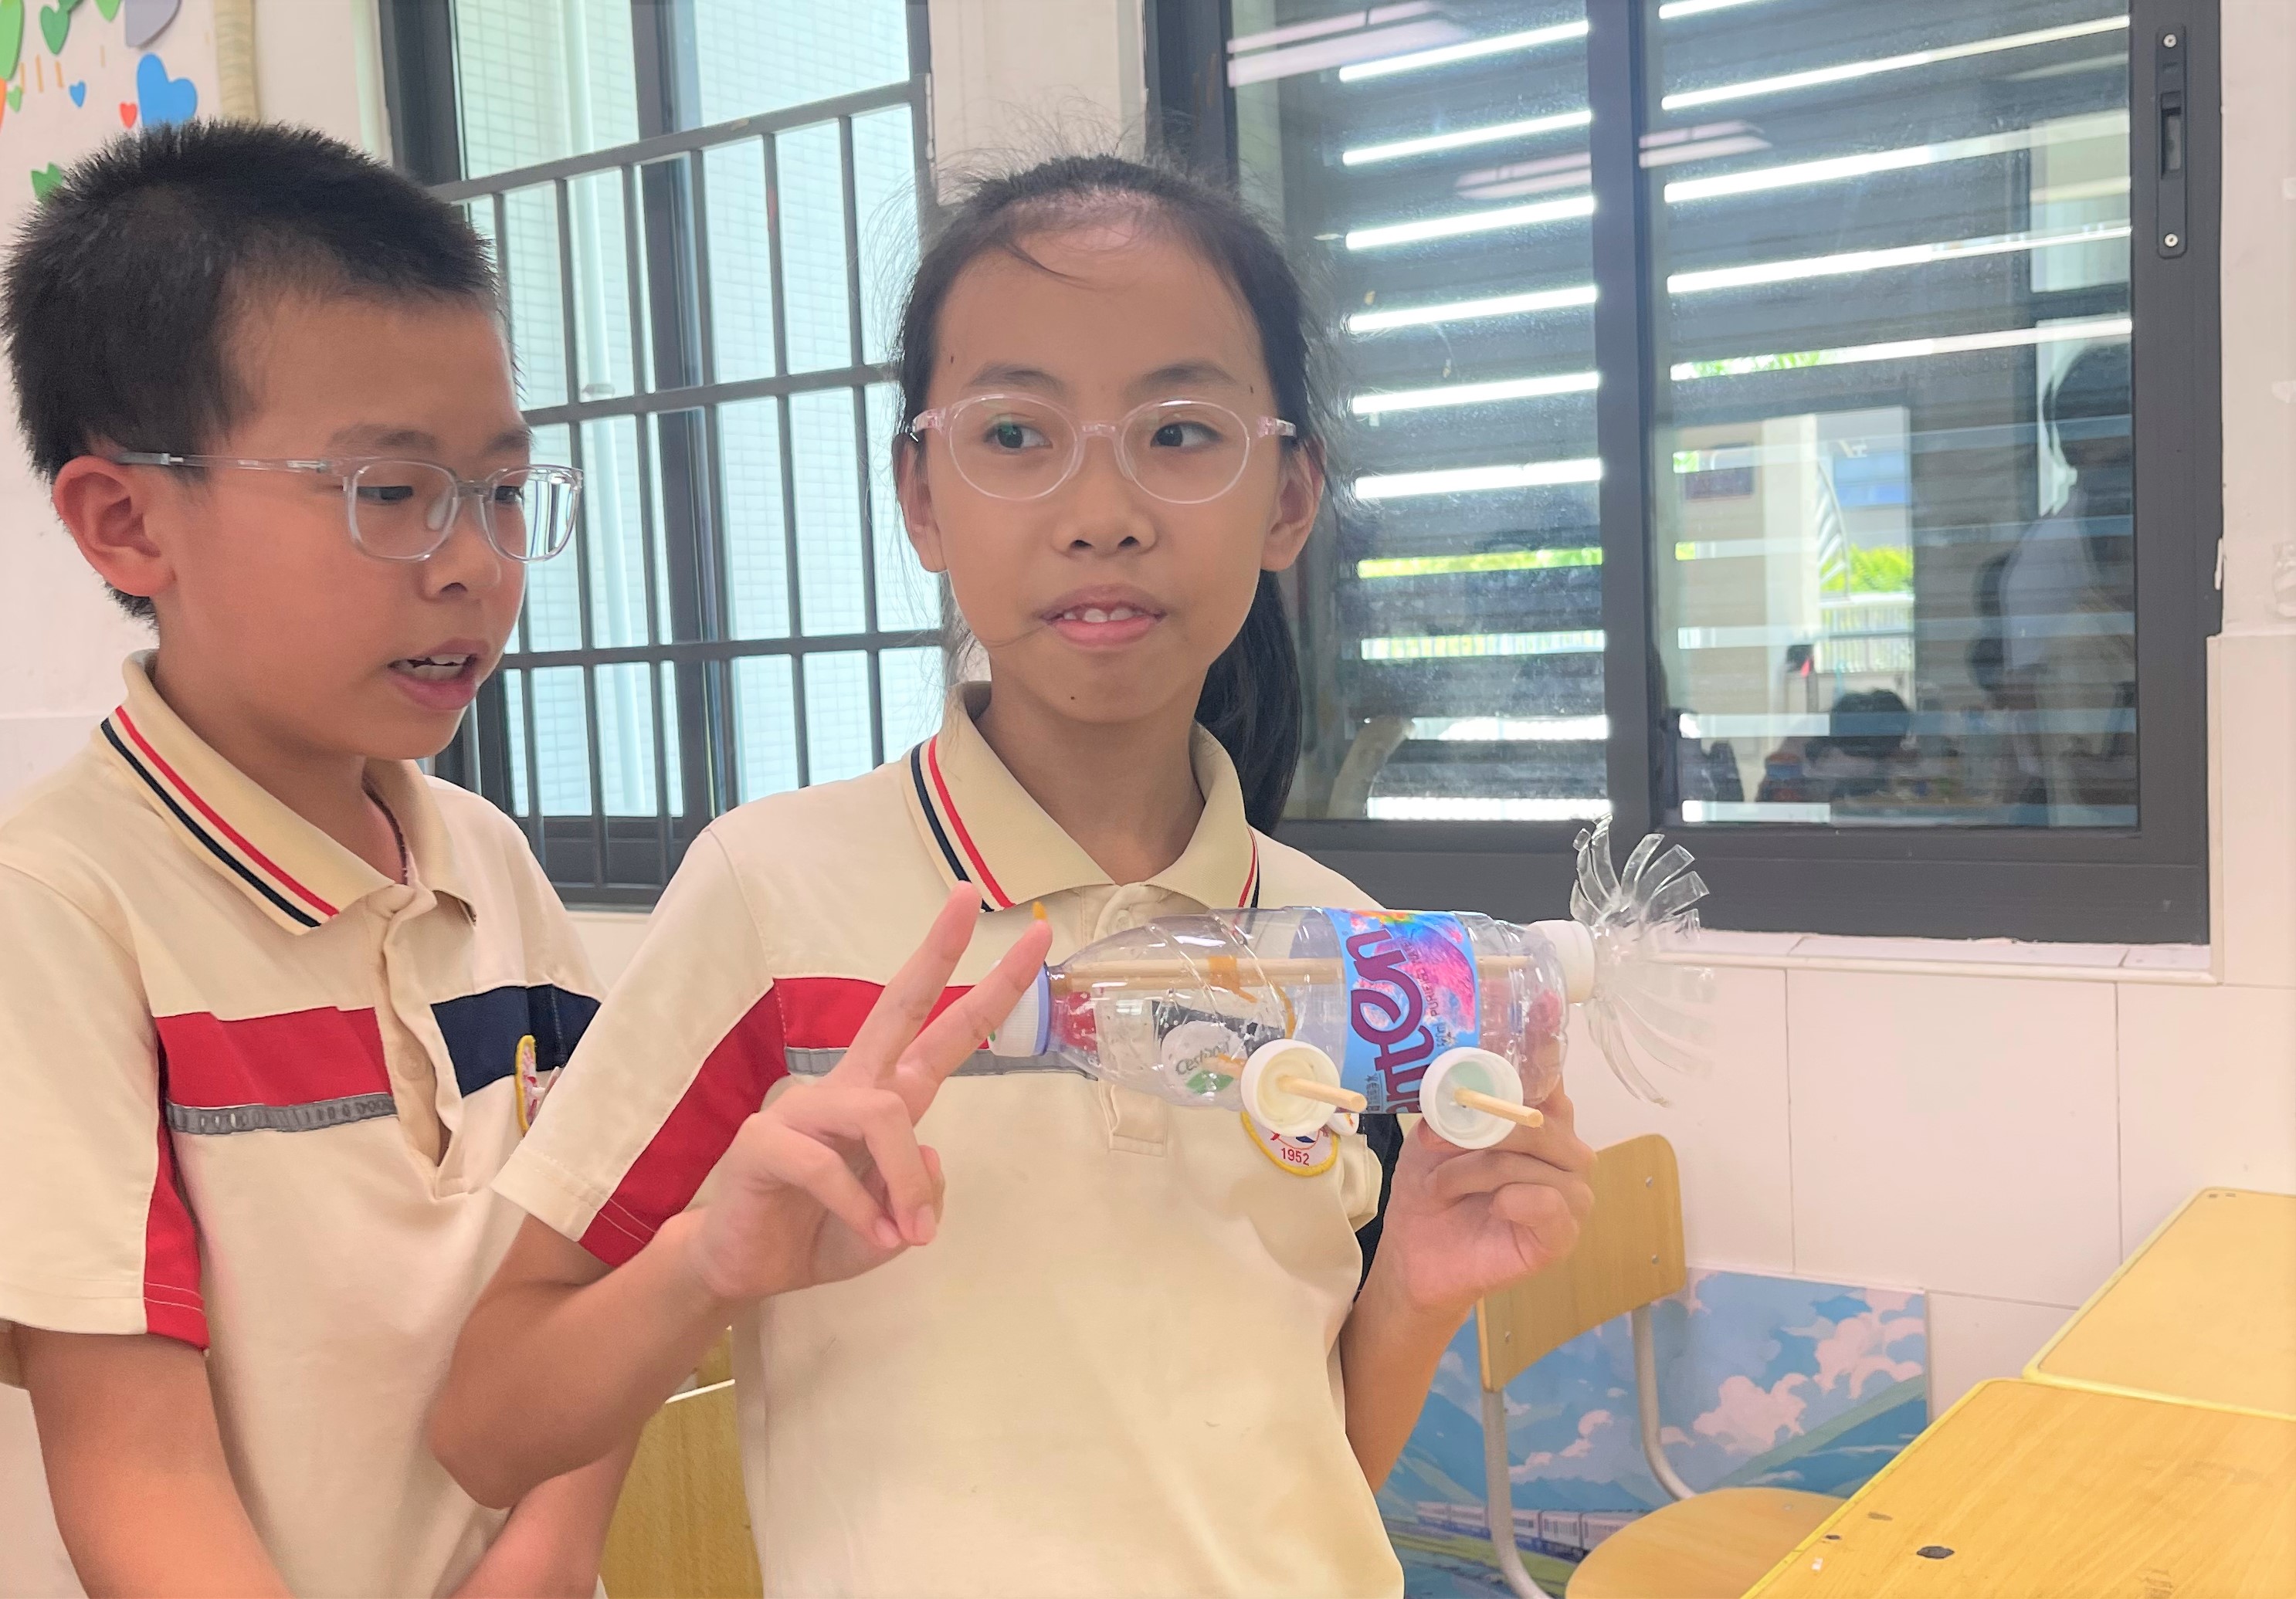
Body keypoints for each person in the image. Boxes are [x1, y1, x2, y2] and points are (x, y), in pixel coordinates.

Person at [431, 153, 1597, 1598]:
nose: (1101, 508)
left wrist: (1412, 1289)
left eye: (1181, 433)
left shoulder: (1350, 959)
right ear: (920, 496)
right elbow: (487, 1427)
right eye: (1014, 433)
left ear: (1289, 497)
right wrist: (702, 1266)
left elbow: (1295, 1485)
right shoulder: (770, 898)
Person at [0, 123, 629, 1597]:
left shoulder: (488, 863)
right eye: (388, 492)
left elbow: (594, 1252)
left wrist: (550, 1549)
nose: (472, 562)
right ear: (125, 523)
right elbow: (137, 1473)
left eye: (500, 490)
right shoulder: (57, 909)